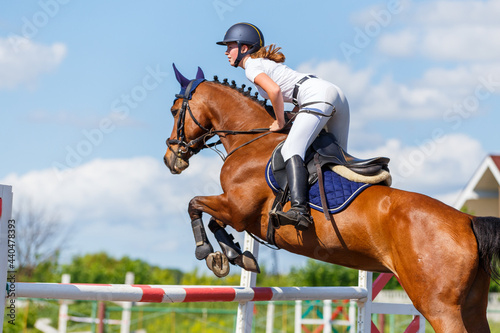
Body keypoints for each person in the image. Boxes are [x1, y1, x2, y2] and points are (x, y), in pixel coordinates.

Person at [217, 22, 350, 231]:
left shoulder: (251, 66)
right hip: (335, 95)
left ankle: (300, 210)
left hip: (316, 96)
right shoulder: (262, 63)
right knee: (340, 159)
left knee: (291, 149)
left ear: (244, 48)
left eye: (229, 46)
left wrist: (279, 122)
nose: (226, 52)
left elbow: (275, 92)